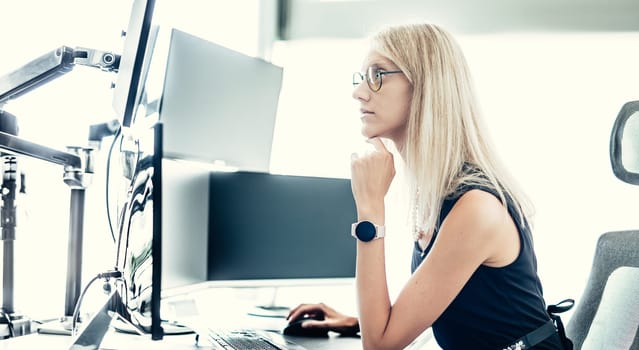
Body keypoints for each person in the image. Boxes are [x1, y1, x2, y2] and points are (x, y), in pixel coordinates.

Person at [286, 23, 565, 349]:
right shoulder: (436, 192)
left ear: (424, 86)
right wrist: (357, 322)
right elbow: (450, 309)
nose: (359, 92)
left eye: (377, 75)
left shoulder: (476, 208)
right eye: (361, 77)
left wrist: (371, 208)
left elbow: (380, 347)